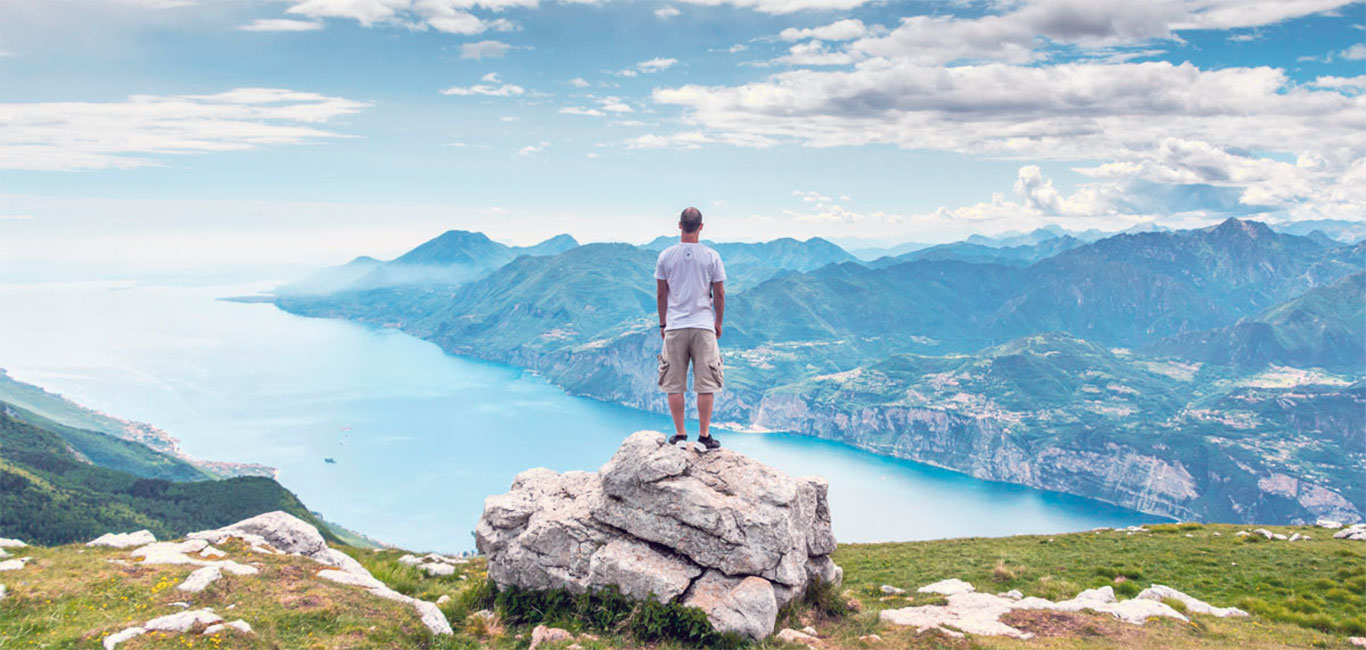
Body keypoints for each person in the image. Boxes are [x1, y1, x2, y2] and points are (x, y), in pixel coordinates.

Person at [655, 206, 726, 452]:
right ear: (701, 226)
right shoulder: (712, 256)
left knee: (674, 383)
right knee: (706, 383)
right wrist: (718, 322)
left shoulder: (665, 256)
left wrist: (663, 324)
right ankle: (704, 437)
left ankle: (680, 435)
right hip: (704, 326)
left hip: (675, 325)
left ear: (679, 225)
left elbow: (662, 293)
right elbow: (719, 293)